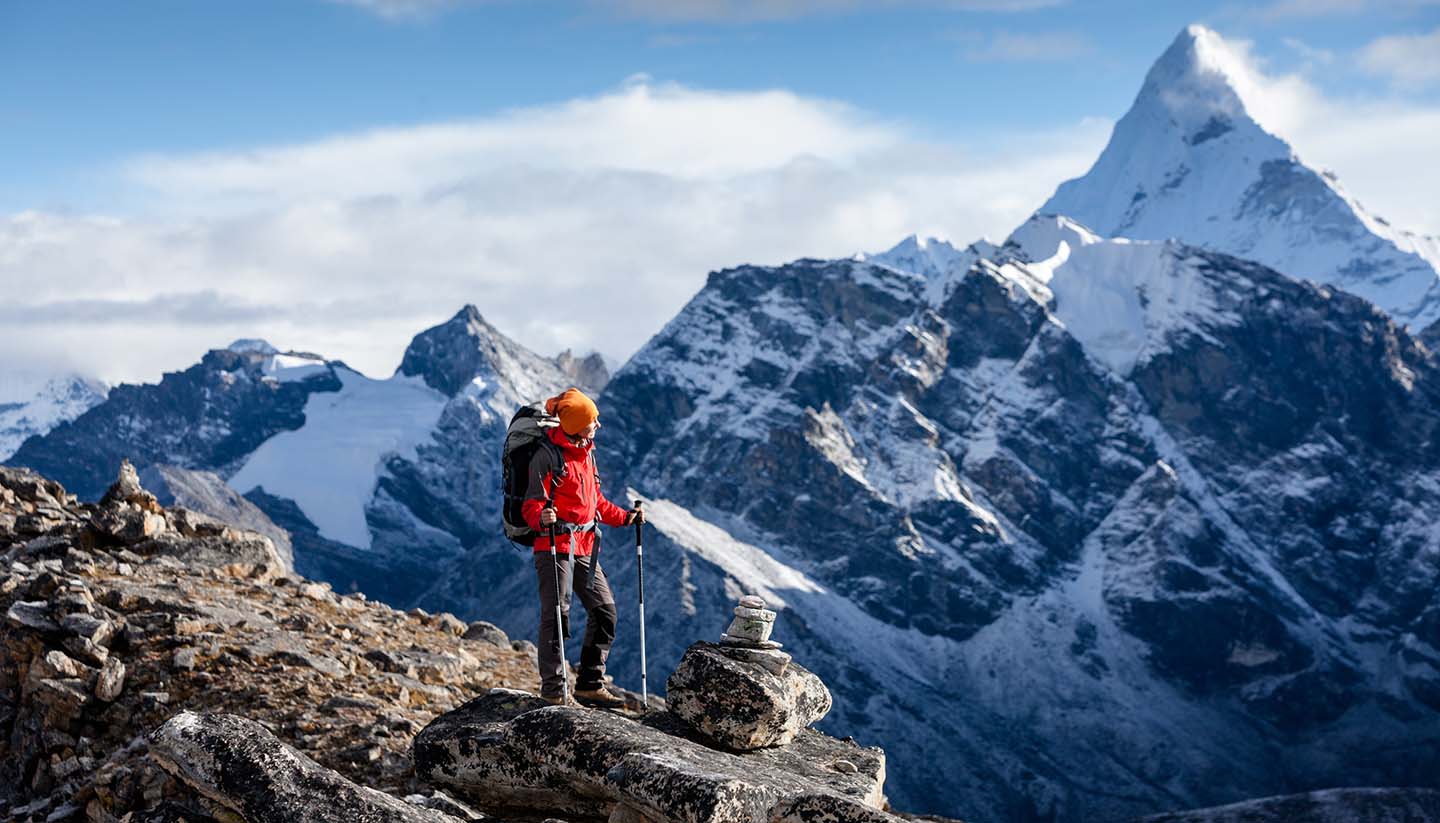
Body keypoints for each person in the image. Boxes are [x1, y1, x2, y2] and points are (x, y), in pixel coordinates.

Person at [521, 387, 644, 707]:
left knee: (605, 612)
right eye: (593, 421)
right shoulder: (547, 456)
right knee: (557, 617)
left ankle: (589, 684)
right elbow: (530, 505)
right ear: (576, 425)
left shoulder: (587, 452)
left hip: (586, 546)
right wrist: (541, 517)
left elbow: (596, 503)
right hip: (555, 545)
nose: (598, 426)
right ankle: (553, 689)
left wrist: (626, 518)